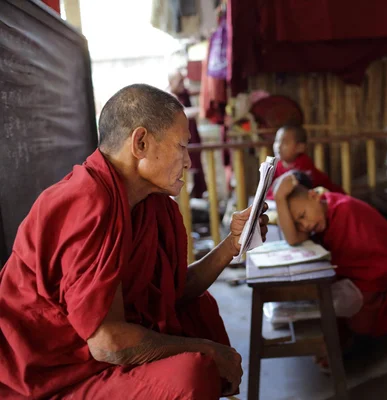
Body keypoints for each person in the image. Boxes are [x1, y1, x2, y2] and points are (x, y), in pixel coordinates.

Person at [0, 84, 269, 399]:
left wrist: (232, 244)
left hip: (98, 360)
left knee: (199, 311)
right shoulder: (85, 202)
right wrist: (207, 350)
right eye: (181, 146)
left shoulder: (151, 204)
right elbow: (108, 342)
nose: (187, 162)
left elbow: (173, 292)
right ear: (140, 142)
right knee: (190, 374)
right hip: (48, 376)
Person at [273, 172, 387, 338]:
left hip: (384, 270)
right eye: (299, 224)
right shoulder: (322, 211)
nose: (306, 225)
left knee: (339, 306)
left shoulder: (344, 209)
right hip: (359, 273)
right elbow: (294, 239)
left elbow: (377, 259)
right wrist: (279, 199)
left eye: (303, 216)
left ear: (313, 196)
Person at [266, 125, 345, 199]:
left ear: (300, 148)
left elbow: (295, 194)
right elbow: (271, 190)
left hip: (332, 197)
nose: (278, 146)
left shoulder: (304, 165)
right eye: (276, 141)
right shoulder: (277, 166)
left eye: (285, 142)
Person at [168, 70, 207, 198]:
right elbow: (181, 113)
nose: (182, 84)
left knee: (193, 172)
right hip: (179, 142)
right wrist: (200, 110)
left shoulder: (184, 94)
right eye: (179, 81)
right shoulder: (169, 97)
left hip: (191, 138)